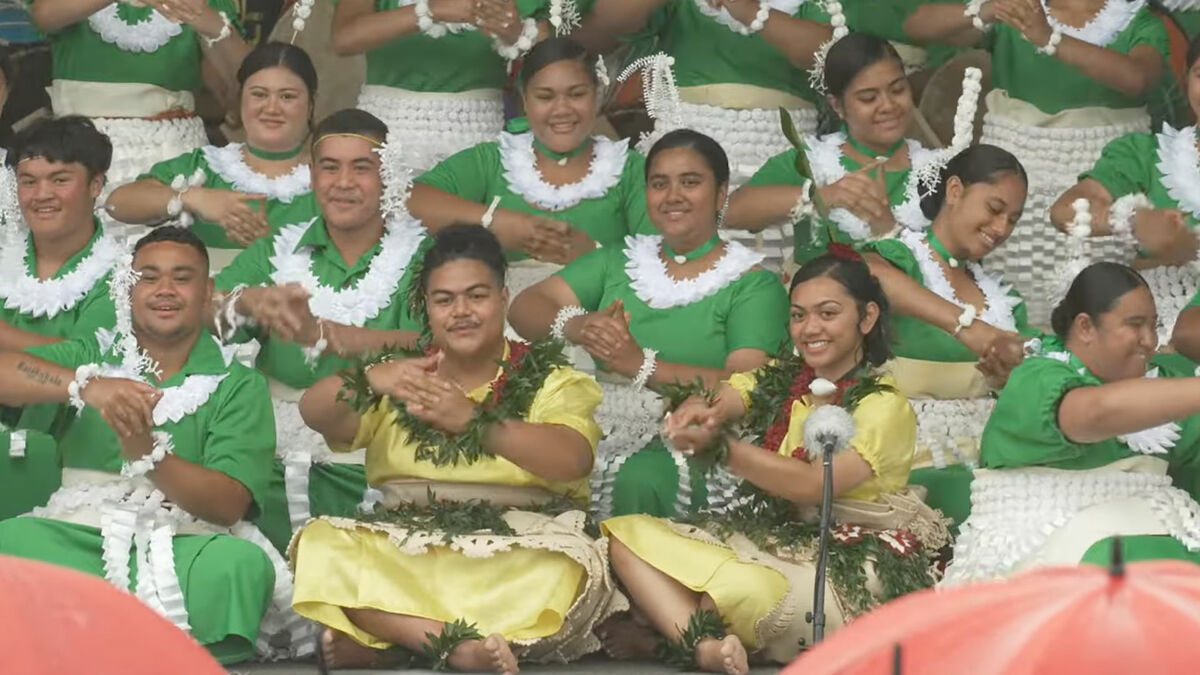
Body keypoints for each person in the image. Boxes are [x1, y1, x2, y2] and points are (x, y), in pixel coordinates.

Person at [291, 224, 623, 673]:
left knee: (561, 570)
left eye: (477, 296)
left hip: (514, 550)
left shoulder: (551, 378)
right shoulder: (403, 375)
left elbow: (573, 458)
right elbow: (315, 411)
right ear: (426, 307)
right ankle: (455, 648)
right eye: (444, 300)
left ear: (503, 298)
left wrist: (473, 421)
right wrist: (370, 378)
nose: (461, 311)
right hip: (408, 542)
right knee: (322, 545)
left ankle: (398, 642)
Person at [598, 251, 945, 670]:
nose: (810, 328)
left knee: (728, 593)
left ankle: (672, 635)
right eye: (798, 316)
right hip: (777, 538)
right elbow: (726, 396)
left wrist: (722, 449)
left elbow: (815, 485)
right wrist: (696, 412)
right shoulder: (783, 380)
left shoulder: (882, 404)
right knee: (627, 537)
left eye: (828, 313)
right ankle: (704, 646)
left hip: (852, 556)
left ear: (867, 318)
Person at [0, 226, 295, 664]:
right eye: (149, 277)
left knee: (238, 566)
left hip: (186, 538)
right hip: (79, 532)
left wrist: (147, 453)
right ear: (127, 289)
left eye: (182, 277)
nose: (164, 290)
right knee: (11, 541)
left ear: (208, 291)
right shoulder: (92, 359)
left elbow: (228, 504)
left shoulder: (237, 383)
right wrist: (86, 386)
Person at [509, 129, 788, 518]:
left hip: (693, 435)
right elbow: (525, 306)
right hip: (596, 425)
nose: (673, 196)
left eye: (690, 182)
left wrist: (640, 365)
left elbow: (749, 386)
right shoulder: (620, 259)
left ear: (721, 194)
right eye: (660, 184)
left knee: (639, 479)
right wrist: (578, 325)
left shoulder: (752, 283)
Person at [212, 108, 425, 551]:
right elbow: (201, 314)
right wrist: (249, 301)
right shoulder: (279, 247)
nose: (343, 182)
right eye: (330, 167)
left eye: (361, 167)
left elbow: (436, 343)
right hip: (269, 454)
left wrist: (342, 338)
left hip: (377, 449)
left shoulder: (425, 254)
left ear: (390, 176)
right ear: (312, 175)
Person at [903, 0, 1169, 326]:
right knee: (1008, 299)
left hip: (1102, 183)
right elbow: (914, 24)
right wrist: (987, 10)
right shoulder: (1019, 9)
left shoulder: (1138, 21)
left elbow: (1138, 77)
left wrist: (1050, 39)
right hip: (1014, 182)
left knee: (1096, 306)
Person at [945, 262, 1200, 584]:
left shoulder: (1162, 381)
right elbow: (1095, 414)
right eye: (1135, 325)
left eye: (1155, 325)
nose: (1150, 340)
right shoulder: (1039, 375)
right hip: (1038, 544)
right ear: (1085, 328)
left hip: (1147, 536)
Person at [863, 144, 1033, 525]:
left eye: (1013, 219)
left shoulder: (1003, 299)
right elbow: (866, 276)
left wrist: (1007, 378)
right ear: (954, 191)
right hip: (908, 461)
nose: (1002, 227)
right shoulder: (903, 258)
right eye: (994, 208)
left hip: (988, 461)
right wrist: (965, 326)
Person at [408, 37, 653, 296]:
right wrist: (496, 223)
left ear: (598, 95)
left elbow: (663, 259)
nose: (561, 109)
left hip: (597, 320)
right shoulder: (494, 160)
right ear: (525, 101)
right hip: (500, 325)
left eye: (577, 94)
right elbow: (410, 199)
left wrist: (594, 255)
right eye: (545, 97)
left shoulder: (631, 169)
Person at [726, 33, 945, 268]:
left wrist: (888, 229)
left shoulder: (940, 170)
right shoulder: (813, 160)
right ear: (837, 106)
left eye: (898, 90)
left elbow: (952, 263)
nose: (888, 106)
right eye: (869, 98)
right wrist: (822, 196)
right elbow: (730, 212)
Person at [0, 116, 122, 519]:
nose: (41, 195)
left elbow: (86, 356)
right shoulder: (4, 256)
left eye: (59, 179)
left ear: (96, 185)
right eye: (28, 180)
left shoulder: (124, 271)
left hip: (73, 456)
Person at [107, 41, 319, 273]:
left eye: (287, 97)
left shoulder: (330, 177)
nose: (271, 108)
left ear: (310, 105)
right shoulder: (207, 167)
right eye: (259, 94)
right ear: (240, 101)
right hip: (208, 304)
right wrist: (193, 198)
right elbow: (117, 204)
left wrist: (272, 242)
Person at [1051, 33, 1200, 346]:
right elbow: (1065, 210)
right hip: (1150, 334)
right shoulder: (1146, 154)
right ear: (1187, 79)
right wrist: (1132, 222)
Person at [30, 0, 250, 200]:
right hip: (79, 149)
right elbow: (43, 15)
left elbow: (244, 85)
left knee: (169, 239)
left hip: (171, 150)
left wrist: (215, 26)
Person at [331, 0, 562, 172]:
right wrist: (433, 9)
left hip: (477, 135)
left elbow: (556, 61)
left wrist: (516, 32)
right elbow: (344, 39)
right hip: (386, 133)